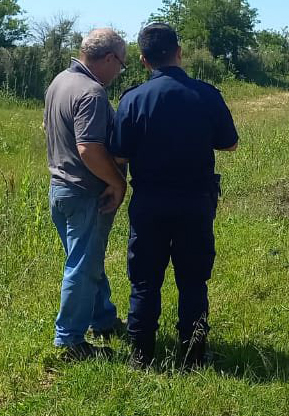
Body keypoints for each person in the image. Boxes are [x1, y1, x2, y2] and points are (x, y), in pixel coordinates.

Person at [109, 23, 239, 368]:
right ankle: (193, 354)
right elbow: (230, 143)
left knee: (144, 280)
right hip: (195, 202)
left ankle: (141, 355)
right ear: (179, 53)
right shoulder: (206, 94)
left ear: (143, 59)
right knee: (194, 280)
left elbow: (119, 155)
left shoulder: (133, 99)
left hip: (149, 202)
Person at [44, 28, 128, 360]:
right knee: (82, 267)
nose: (119, 71)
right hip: (84, 192)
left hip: (60, 189)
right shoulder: (92, 93)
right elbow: (89, 149)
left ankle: (103, 319)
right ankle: (69, 341)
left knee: (87, 261)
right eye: (121, 64)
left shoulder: (60, 82)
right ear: (109, 58)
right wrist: (117, 183)